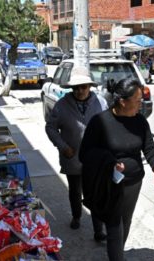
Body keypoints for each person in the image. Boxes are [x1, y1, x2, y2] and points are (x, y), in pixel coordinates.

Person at [79, 79, 154, 261]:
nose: (141, 104)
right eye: (137, 100)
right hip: (109, 184)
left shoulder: (140, 121)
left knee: (125, 223)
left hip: (133, 183)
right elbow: (85, 154)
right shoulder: (100, 122)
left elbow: (149, 147)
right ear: (122, 101)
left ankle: (118, 253)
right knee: (113, 225)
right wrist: (110, 162)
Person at [45, 67, 108, 241]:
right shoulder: (62, 104)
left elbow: (108, 125)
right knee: (75, 190)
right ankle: (76, 216)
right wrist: (62, 146)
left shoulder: (100, 103)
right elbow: (50, 127)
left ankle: (98, 229)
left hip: (95, 158)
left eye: (84, 87)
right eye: (76, 87)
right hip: (72, 156)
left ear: (90, 86)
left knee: (94, 193)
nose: (80, 91)